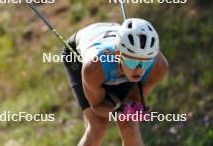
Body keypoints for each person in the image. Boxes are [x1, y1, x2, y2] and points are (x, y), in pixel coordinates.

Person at [62, 18, 169, 146]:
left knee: (130, 125)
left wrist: (131, 110)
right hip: (79, 54)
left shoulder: (159, 66)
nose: (139, 69)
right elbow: (97, 106)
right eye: (133, 62)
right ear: (118, 54)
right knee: (98, 126)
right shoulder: (94, 67)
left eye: (146, 62)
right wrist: (120, 112)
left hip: (116, 53)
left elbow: (134, 99)